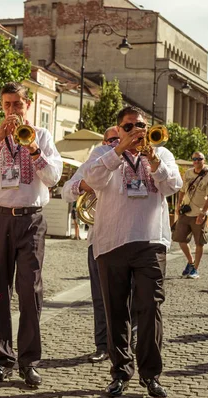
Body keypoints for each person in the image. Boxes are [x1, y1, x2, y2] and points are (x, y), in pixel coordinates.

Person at [84, 106, 181, 398]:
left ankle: (150, 375)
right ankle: (121, 372)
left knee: (150, 308)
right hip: (111, 242)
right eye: (128, 127)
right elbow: (91, 179)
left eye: (140, 125)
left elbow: (173, 185)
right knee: (115, 311)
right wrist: (119, 151)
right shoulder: (102, 155)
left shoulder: (162, 154)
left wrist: (152, 160)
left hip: (150, 241)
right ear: (118, 130)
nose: (136, 131)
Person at [0, 82, 63, 387]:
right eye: (7, 104)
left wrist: (33, 148)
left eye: (17, 105)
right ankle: (1, 359)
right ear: (1, 106)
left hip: (30, 220)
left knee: (30, 291)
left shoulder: (44, 136)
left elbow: (53, 177)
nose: (12, 110)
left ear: (28, 105)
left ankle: (29, 361)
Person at [63, 126, 117, 363]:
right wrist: (86, 185)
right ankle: (103, 345)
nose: (116, 143)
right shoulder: (97, 159)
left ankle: (128, 342)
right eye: (111, 140)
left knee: (133, 296)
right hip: (100, 238)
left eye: (119, 138)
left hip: (130, 239)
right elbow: (67, 191)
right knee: (100, 296)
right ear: (104, 143)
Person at [172, 151, 208, 279]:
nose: (196, 161)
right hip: (186, 212)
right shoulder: (188, 173)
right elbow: (182, 191)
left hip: (199, 214)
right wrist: (178, 205)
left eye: (199, 159)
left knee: (199, 243)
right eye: (194, 159)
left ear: (204, 160)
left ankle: (195, 269)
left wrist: (203, 213)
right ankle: (190, 262)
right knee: (180, 239)